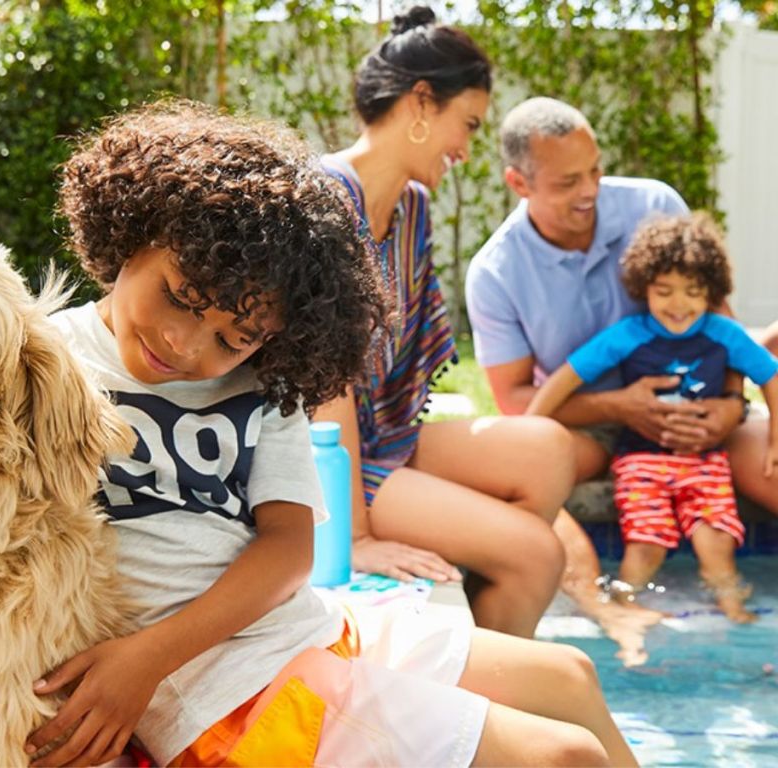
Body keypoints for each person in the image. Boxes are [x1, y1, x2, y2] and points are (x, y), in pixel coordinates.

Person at [0, 101, 636, 767]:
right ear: (129, 237)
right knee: (563, 757)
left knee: (572, 678)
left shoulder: (265, 384)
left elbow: (291, 547)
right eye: (179, 298)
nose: (188, 345)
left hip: (297, 625)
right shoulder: (39, 360)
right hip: (218, 686)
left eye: (235, 333)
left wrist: (149, 654)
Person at [465, 96, 778, 660]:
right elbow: (515, 401)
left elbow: (719, 322)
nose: (589, 191)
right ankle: (607, 610)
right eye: (567, 182)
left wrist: (731, 405)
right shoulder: (495, 272)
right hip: (585, 427)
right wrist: (621, 407)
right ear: (519, 182)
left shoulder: (654, 205)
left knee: (769, 464)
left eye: (595, 171)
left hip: (703, 407)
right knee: (524, 469)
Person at [315, 5, 574, 640]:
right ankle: (497, 695)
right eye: (469, 124)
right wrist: (359, 539)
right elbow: (323, 385)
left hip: (381, 436)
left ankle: (482, 613)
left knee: (548, 449)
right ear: (422, 103)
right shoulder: (320, 199)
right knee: (538, 552)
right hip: (314, 458)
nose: (466, 147)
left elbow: (401, 361)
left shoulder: (412, 205)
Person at [526, 213, 778, 622]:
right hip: (642, 460)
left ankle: (733, 607)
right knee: (647, 542)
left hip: (703, 460)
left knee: (716, 540)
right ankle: (627, 602)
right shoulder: (630, 333)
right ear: (645, 287)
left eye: (693, 292)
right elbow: (566, 377)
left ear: (711, 292)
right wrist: (529, 430)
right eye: (665, 292)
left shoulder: (723, 333)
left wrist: (775, 441)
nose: (679, 305)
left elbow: (770, 374)